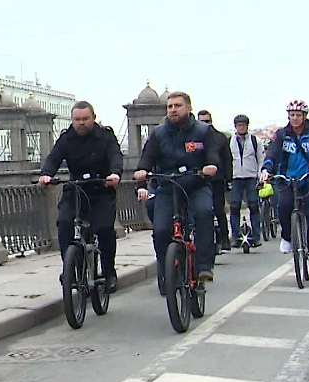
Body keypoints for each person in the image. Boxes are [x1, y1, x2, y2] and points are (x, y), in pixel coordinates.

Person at [133, 91, 221, 289]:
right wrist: (142, 171)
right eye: (170, 106)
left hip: (196, 184)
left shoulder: (204, 131)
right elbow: (148, 158)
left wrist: (211, 166)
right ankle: (166, 270)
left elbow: (213, 154)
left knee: (204, 213)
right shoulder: (159, 134)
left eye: (177, 106)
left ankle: (204, 265)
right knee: (162, 229)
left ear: (188, 108)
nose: (173, 109)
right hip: (168, 187)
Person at [38, 101, 124, 292]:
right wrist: (46, 174)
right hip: (76, 189)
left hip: (101, 188)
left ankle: (109, 271)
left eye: (85, 119)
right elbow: (53, 158)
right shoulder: (66, 138)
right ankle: (70, 269)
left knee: (104, 230)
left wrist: (115, 173)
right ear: (72, 120)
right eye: (77, 119)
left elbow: (115, 156)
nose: (81, 123)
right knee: (64, 223)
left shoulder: (105, 136)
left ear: (93, 118)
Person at [259, 100, 309, 265]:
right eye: (292, 115)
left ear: (304, 116)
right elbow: (272, 153)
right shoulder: (282, 135)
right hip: (286, 179)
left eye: (298, 115)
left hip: (308, 179)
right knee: (284, 206)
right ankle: (287, 237)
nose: (294, 118)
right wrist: (266, 169)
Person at [196, 110, 233, 254]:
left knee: (219, 210)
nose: (205, 124)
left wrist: (228, 179)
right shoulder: (194, 138)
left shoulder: (220, 137)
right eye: (202, 121)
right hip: (199, 179)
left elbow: (227, 159)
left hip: (217, 180)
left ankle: (224, 239)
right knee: (202, 212)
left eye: (207, 121)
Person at [228, 114, 266, 248]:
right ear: (235, 127)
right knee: (234, 207)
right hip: (236, 177)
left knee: (254, 206)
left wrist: (260, 176)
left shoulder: (256, 141)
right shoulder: (229, 142)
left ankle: (256, 235)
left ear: (247, 126)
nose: (241, 127)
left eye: (243, 125)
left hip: (251, 177)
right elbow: (227, 160)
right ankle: (235, 236)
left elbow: (261, 160)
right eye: (239, 125)